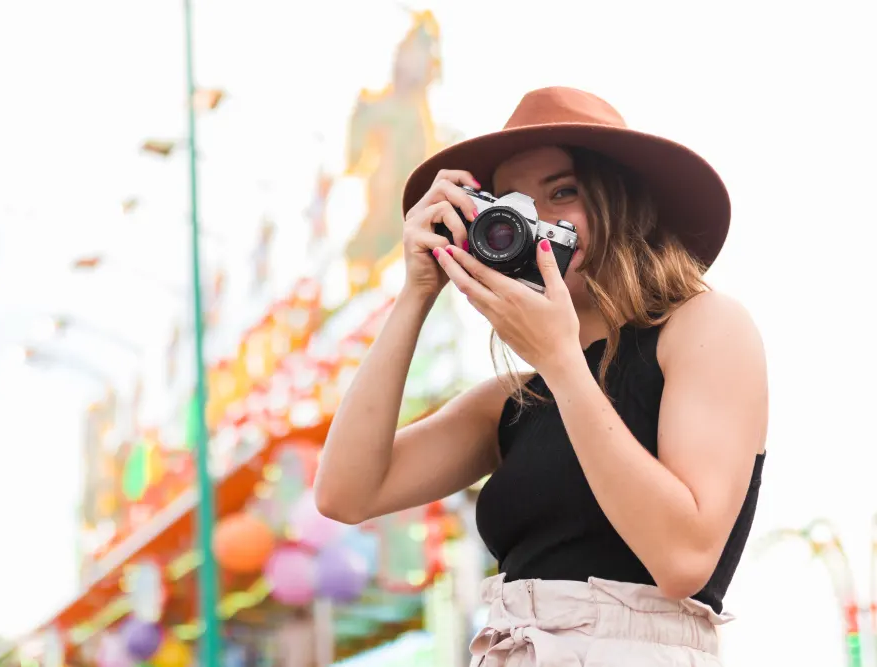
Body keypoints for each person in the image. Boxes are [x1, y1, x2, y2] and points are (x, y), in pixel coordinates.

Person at [314, 86, 767, 666]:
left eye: (563, 192)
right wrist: (415, 296)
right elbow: (346, 493)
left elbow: (682, 560)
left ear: (622, 203)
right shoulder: (513, 401)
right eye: (513, 206)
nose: (537, 222)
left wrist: (560, 361)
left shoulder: (705, 327)